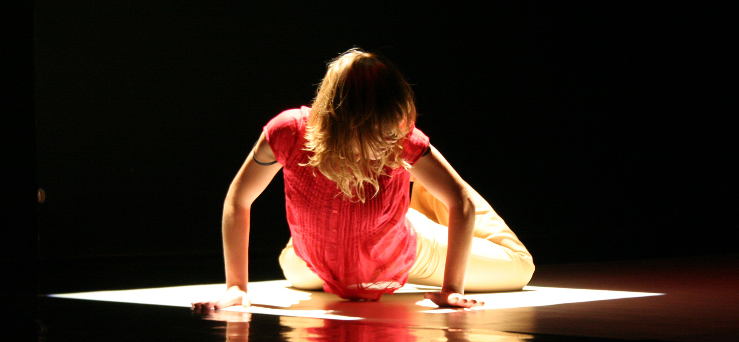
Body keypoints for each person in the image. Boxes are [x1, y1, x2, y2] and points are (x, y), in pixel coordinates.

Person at [192, 49, 534, 311]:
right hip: (307, 264)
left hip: (399, 250)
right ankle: (417, 194)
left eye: (391, 131)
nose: (385, 142)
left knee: (520, 267)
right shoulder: (289, 131)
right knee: (295, 269)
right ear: (342, 121)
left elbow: (461, 202)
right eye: (376, 134)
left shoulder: (403, 140)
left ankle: (418, 199)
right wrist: (236, 287)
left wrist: (451, 289)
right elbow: (238, 199)